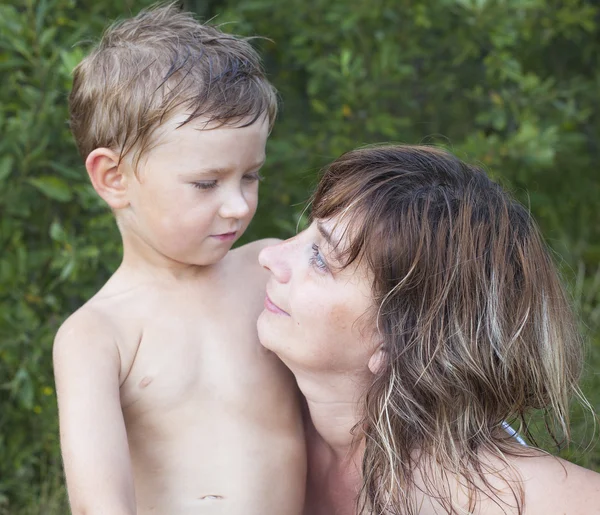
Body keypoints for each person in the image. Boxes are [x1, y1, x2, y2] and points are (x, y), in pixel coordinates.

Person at [53, 5, 305, 515]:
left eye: (251, 176)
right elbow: (99, 504)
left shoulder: (270, 270)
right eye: (206, 183)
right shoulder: (97, 335)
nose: (238, 205)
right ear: (113, 178)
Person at [257, 144, 600, 514]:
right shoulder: (249, 395)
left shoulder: (484, 493)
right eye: (307, 230)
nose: (269, 256)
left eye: (321, 259)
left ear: (399, 342)